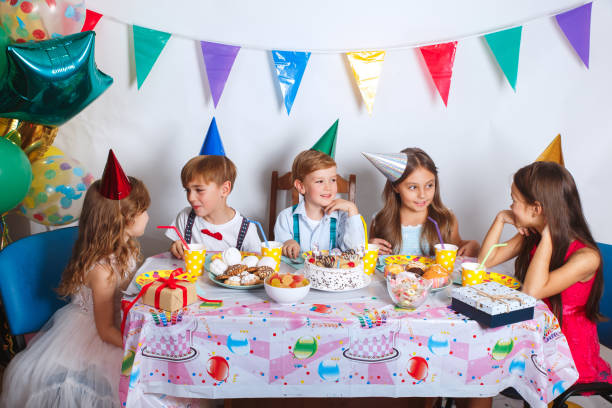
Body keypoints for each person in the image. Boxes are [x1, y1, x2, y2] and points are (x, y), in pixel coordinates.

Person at [0, 150, 151, 407]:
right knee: (141, 378)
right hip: (95, 334)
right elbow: (105, 331)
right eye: (145, 210)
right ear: (126, 219)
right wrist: (139, 348)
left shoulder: (125, 247)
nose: (148, 215)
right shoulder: (102, 270)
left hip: (116, 320)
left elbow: (126, 288)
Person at [479, 161, 610, 384]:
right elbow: (484, 261)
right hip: (532, 336)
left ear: (537, 209)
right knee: (482, 365)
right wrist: (501, 218)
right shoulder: (531, 236)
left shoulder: (587, 257)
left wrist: (550, 232)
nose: (511, 206)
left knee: (487, 369)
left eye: (514, 201)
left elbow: (532, 291)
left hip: (565, 351)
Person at [365, 148, 479, 257]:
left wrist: (472, 245)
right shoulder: (380, 221)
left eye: (429, 185)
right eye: (413, 187)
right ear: (396, 187)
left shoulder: (446, 219)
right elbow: (372, 266)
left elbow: (456, 248)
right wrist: (369, 249)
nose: (422, 195)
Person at [274, 149, 365, 258]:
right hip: (298, 275)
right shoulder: (285, 218)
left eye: (333, 180)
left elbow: (356, 253)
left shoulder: (343, 217)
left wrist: (352, 209)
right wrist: (287, 243)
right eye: (320, 181)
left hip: (333, 275)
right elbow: (279, 254)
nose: (328, 187)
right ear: (301, 187)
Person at [167, 155, 261, 258]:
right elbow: (173, 258)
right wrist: (175, 248)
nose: (190, 197)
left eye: (199, 190)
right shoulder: (185, 218)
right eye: (187, 190)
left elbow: (256, 263)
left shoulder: (246, 229)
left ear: (224, 189)